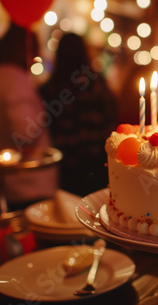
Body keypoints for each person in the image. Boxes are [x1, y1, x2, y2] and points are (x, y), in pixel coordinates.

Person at [0, 22, 58, 208]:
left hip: (8, 178)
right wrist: (47, 111)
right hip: (30, 181)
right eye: (33, 47)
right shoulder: (16, 80)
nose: (35, 54)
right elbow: (25, 131)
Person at [40, 33, 118, 196]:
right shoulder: (97, 84)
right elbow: (112, 115)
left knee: (70, 213)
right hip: (99, 161)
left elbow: (47, 126)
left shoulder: (51, 88)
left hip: (67, 165)